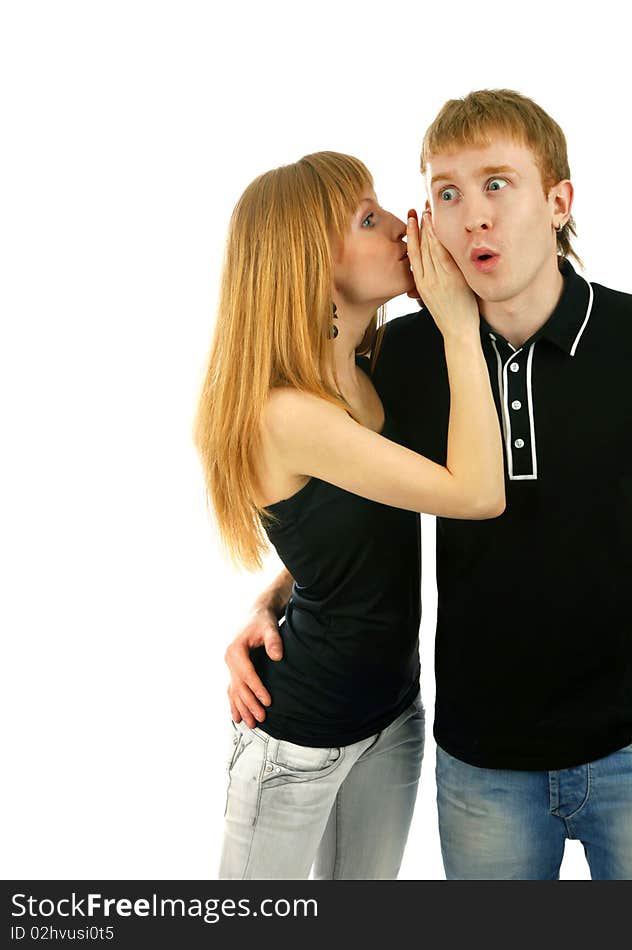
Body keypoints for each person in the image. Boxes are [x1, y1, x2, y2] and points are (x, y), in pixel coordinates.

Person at [226, 90, 632, 880]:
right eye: (447, 193)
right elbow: (352, 510)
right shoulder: (403, 356)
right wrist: (277, 600)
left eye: (498, 183)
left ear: (559, 201)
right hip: (479, 767)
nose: (472, 217)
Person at [194, 151, 505, 880]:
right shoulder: (288, 415)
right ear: (308, 265)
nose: (403, 227)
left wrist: (272, 596)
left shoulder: (369, 376)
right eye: (369, 220)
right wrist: (457, 326)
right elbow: (477, 494)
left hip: (392, 718)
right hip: (299, 741)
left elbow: (341, 542)